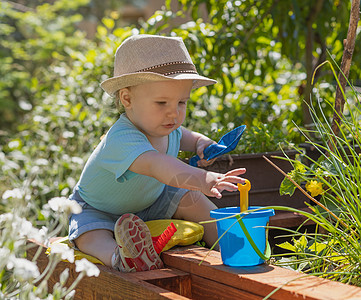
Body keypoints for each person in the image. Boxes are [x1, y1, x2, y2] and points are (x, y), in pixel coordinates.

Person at [68, 34, 246, 272]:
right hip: (99, 209)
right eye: (162, 103)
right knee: (90, 235)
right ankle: (120, 257)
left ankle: (232, 244)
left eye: (181, 102)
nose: (173, 114)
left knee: (190, 197)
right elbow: (158, 166)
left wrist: (203, 144)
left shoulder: (168, 128)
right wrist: (202, 178)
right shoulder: (122, 138)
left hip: (151, 202)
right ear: (127, 98)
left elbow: (189, 137)